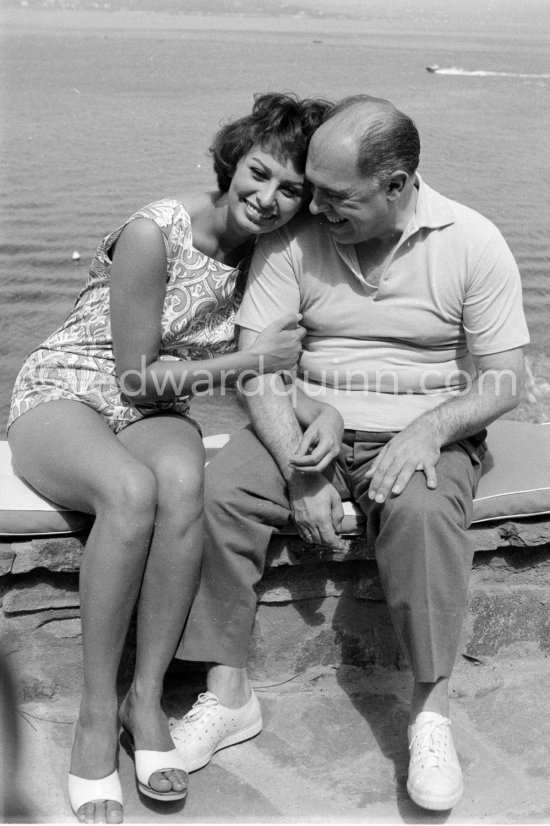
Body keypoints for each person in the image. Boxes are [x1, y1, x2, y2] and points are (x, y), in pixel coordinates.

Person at [171, 94, 529, 812]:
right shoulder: (297, 240)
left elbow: (507, 377)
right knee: (223, 493)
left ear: (395, 184)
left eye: (337, 197)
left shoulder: (473, 241)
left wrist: (428, 430)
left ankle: (430, 713)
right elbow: (256, 363)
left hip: (424, 423)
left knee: (423, 511)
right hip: (309, 420)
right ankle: (228, 694)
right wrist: (299, 470)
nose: (316, 209)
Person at [7, 91, 332, 824]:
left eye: (292, 189)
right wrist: (251, 356)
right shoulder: (158, 232)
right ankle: (96, 721)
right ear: (233, 160)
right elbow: (132, 374)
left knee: (184, 482)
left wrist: (324, 408)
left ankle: (144, 701)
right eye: (259, 173)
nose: (269, 198)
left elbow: (267, 372)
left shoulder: (274, 255)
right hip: (72, 390)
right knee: (129, 493)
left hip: (160, 411)